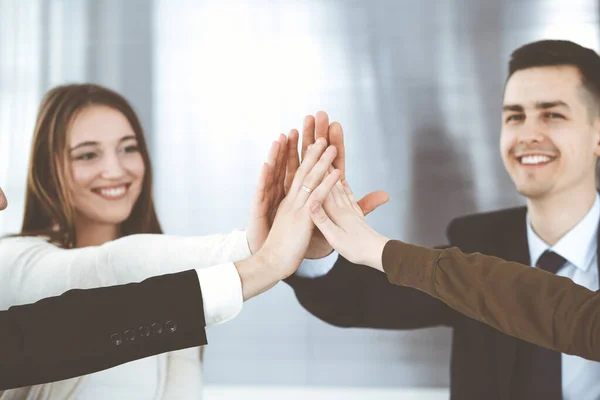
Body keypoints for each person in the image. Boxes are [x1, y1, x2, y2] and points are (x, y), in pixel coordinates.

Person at [286, 40, 600, 400]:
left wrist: (375, 247)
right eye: (514, 116)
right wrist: (318, 251)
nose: (527, 134)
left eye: (553, 115)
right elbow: (356, 300)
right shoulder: (479, 241)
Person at [0, 83, 342, 399]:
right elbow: (109, 267)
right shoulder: (13, 259)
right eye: (87, 155)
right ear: (47, 171)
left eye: (128, 148)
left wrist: (293, 244)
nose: (116, 170)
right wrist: (256, 250)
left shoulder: (174, 297)